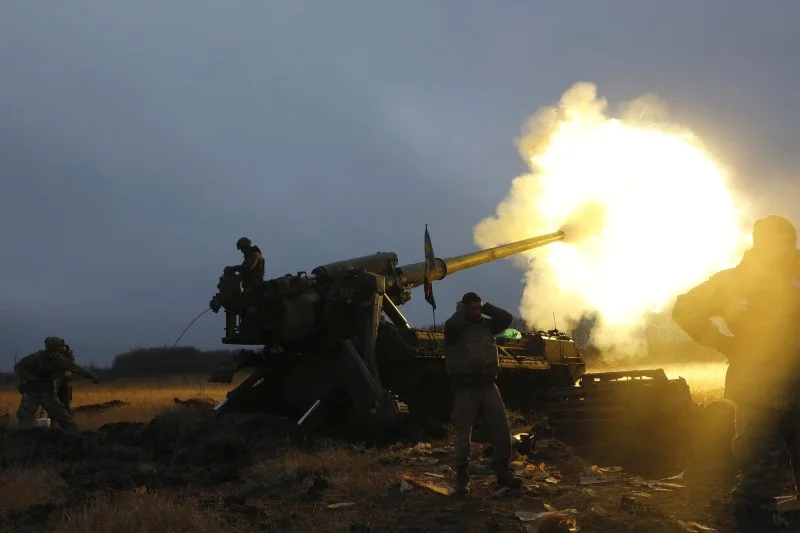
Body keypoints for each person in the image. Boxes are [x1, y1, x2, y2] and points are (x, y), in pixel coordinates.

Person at [672, 215, 800, 524]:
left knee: (756, 479)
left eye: (784, 240)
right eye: (771, 239)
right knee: (756, 481)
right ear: (758, 242)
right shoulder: (735, 281)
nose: (778, 246)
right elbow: (684, 309)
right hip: (757, 394)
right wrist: (724, 343)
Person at [444, 291, 522, 496]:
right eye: (473, 309)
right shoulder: (455, 328)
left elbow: (506, 318)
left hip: (488, 385)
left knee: (501, 428)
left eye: (480, 308)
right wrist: (462, 310)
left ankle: (503, 473)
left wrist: (486, 306)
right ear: (464, 308)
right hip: (465, 387)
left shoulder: (487, 325)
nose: (478, 312)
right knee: (463, 434)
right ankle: (462, 481)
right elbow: (453, 326)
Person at [14, 336, 100, 430]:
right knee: (25, 418)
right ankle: (23, 439)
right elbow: (19, 367)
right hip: (32, 392)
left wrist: (93, 376)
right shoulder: (35, 357)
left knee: (63, 417)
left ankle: (75, 436)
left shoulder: (60, 360)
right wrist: (30, 378)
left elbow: (77, 368)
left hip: (48, 393)